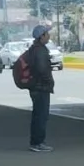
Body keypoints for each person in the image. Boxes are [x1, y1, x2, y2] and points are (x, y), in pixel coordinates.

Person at [25, 22, 55, 152]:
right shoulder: (40, 51)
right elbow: (42, 69)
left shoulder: (34, 49)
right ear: (41, 36)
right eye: (47, 33)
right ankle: (38, 143)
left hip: (35, 87)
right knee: (41, 116)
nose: (48, 36)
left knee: (37, 115)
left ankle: (36, 142)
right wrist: (49, 82)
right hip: (41, 87)